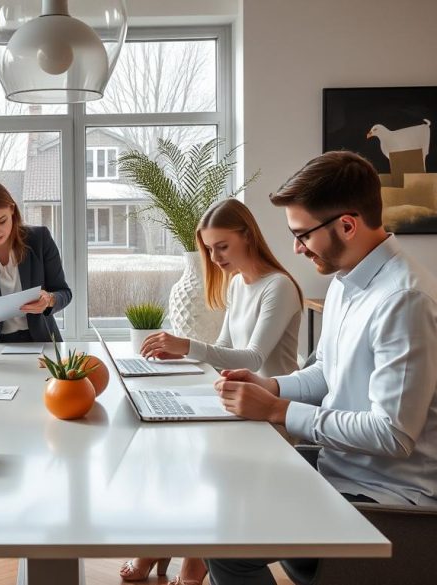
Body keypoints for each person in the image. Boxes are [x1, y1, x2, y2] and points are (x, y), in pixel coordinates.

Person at [206, 151, 437, 585]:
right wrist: (270, 385)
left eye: (303, 234)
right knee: (226, 495)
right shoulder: (346, 281)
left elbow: (393, 435)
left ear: (347, 224)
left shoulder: (405, 300)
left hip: (392, 502)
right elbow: (326, 371)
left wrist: (277, 411)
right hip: (347, 475)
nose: (295, 248)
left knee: (226, 543)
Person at [119, 199, 303, 585]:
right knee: (171, 450)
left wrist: (187, 345)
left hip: (270, 415)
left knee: (200, 463)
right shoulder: (239, 283)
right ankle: (175, 544)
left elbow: (252, 358)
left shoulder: (279, 287)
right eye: (209, 248)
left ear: (247, 236)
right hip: (238, 407)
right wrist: (179, 359)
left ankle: (189, 555)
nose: (215, 257)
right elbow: (222, 347)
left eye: (222, 246)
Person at [0, 180, 72, 343]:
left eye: (2, 221)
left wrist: (49, 299)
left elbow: (64, 293)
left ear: (12, 209)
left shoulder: (39, 239)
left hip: (42, 341)